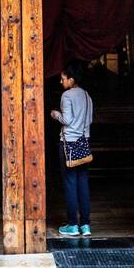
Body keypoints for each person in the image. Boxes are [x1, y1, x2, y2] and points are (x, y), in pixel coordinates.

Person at [50, 62, 94, 238]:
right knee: (83, 182)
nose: (61, 82)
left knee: (69, 183)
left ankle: (73, 225)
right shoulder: (86, 95)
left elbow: (67, 120)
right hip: (83, 142)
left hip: (68, 143)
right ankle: (85, 225)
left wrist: (55, 115)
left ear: (71, 79)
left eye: (63, 79)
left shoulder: (67, 95)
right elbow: (89, 119)